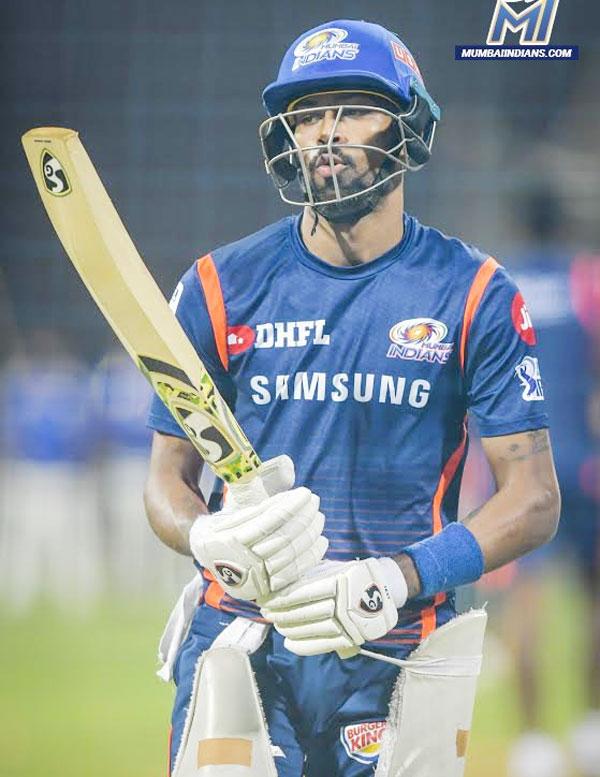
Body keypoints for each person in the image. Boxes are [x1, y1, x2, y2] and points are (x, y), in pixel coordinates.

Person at [144, 20, 561, 776]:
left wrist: (400, 575)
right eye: (306, 114)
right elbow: (165, 481)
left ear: (409, 128)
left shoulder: (474, 293)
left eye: (351, 108)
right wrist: (204, 538)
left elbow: (532, 499)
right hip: (242, 636)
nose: (324, 133)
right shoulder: (215, 287)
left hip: (395, 647)